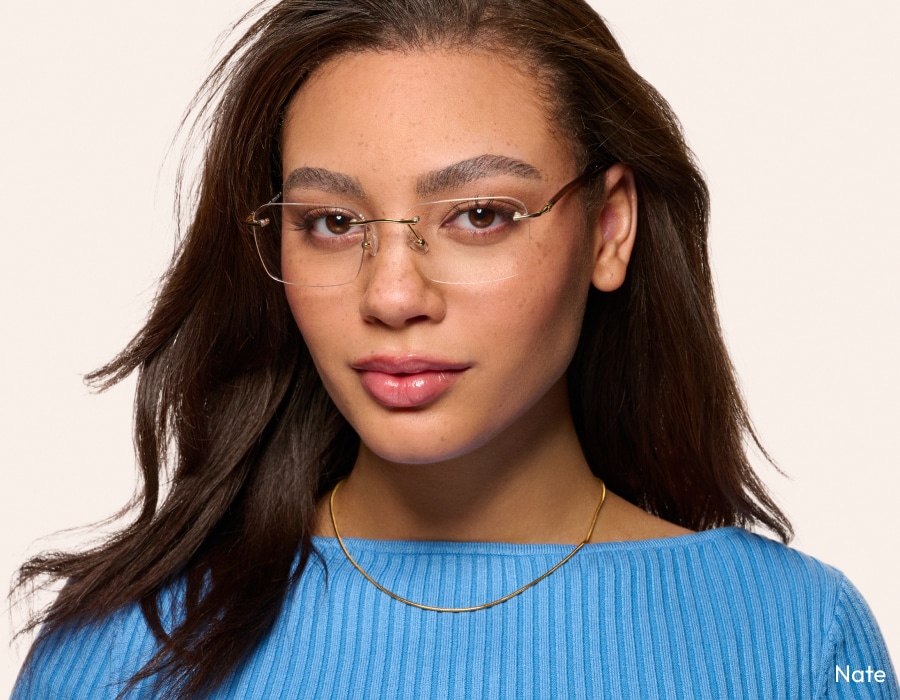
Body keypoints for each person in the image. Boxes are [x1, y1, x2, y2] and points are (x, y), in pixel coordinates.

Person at [9, 0, 897, 698]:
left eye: (479, 215)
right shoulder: (116, 655)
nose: (393, 295)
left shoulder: (798, 639)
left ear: (610, 229)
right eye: (330, 222)